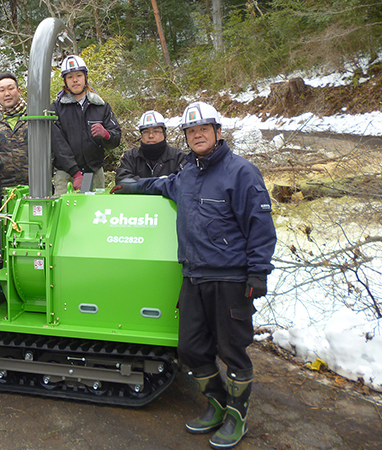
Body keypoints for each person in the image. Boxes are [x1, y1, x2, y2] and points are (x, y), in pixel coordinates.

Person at [112, 101, 276, 449]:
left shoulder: (242, 172)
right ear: (185, 138)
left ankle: (237, 416)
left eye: (203, 129)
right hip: (193, 275)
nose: (197, 135)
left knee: (233, 350)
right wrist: (128, 187)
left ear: (218, 133)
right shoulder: (187, 173)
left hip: (230, 277)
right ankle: (217, 403)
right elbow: (159, 185)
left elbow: (260, 226)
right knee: (189, 347)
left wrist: (258, 273)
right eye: (191, 131)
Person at [51, 55, 121, 195]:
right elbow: (58, 144)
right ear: (65, 81)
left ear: (85, 77)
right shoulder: (56, 108)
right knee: (63, 213)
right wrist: (75, 173)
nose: (75, 80)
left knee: (97, 214)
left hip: (95, 172)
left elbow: (116, 139)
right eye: (70, 77)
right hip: (66, 174)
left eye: (78, 75)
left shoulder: (101, 106)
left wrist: (106, 135)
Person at [115, 110, 186, 184]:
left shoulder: (178, 157)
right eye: (146, 132)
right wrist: (157, 184)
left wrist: (141, 184)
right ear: (141, 135)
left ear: (164, 133)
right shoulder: (131, 157)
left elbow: (184, 183)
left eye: (156, 131)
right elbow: (121, 180)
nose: (151, 136)